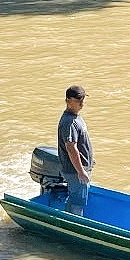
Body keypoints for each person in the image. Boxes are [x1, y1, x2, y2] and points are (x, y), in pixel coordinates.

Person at [57, 85, 94, 215]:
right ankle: (72, 226)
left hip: (79, 169)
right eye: (78, 100)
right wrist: (81, 171)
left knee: (75, 199)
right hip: (75, 171)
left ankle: (66, 221)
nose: (81, 103)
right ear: (68, 100)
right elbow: (71, 148)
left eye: (83, 99)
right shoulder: (70, 122)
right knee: (78, 201)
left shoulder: (75, 117)